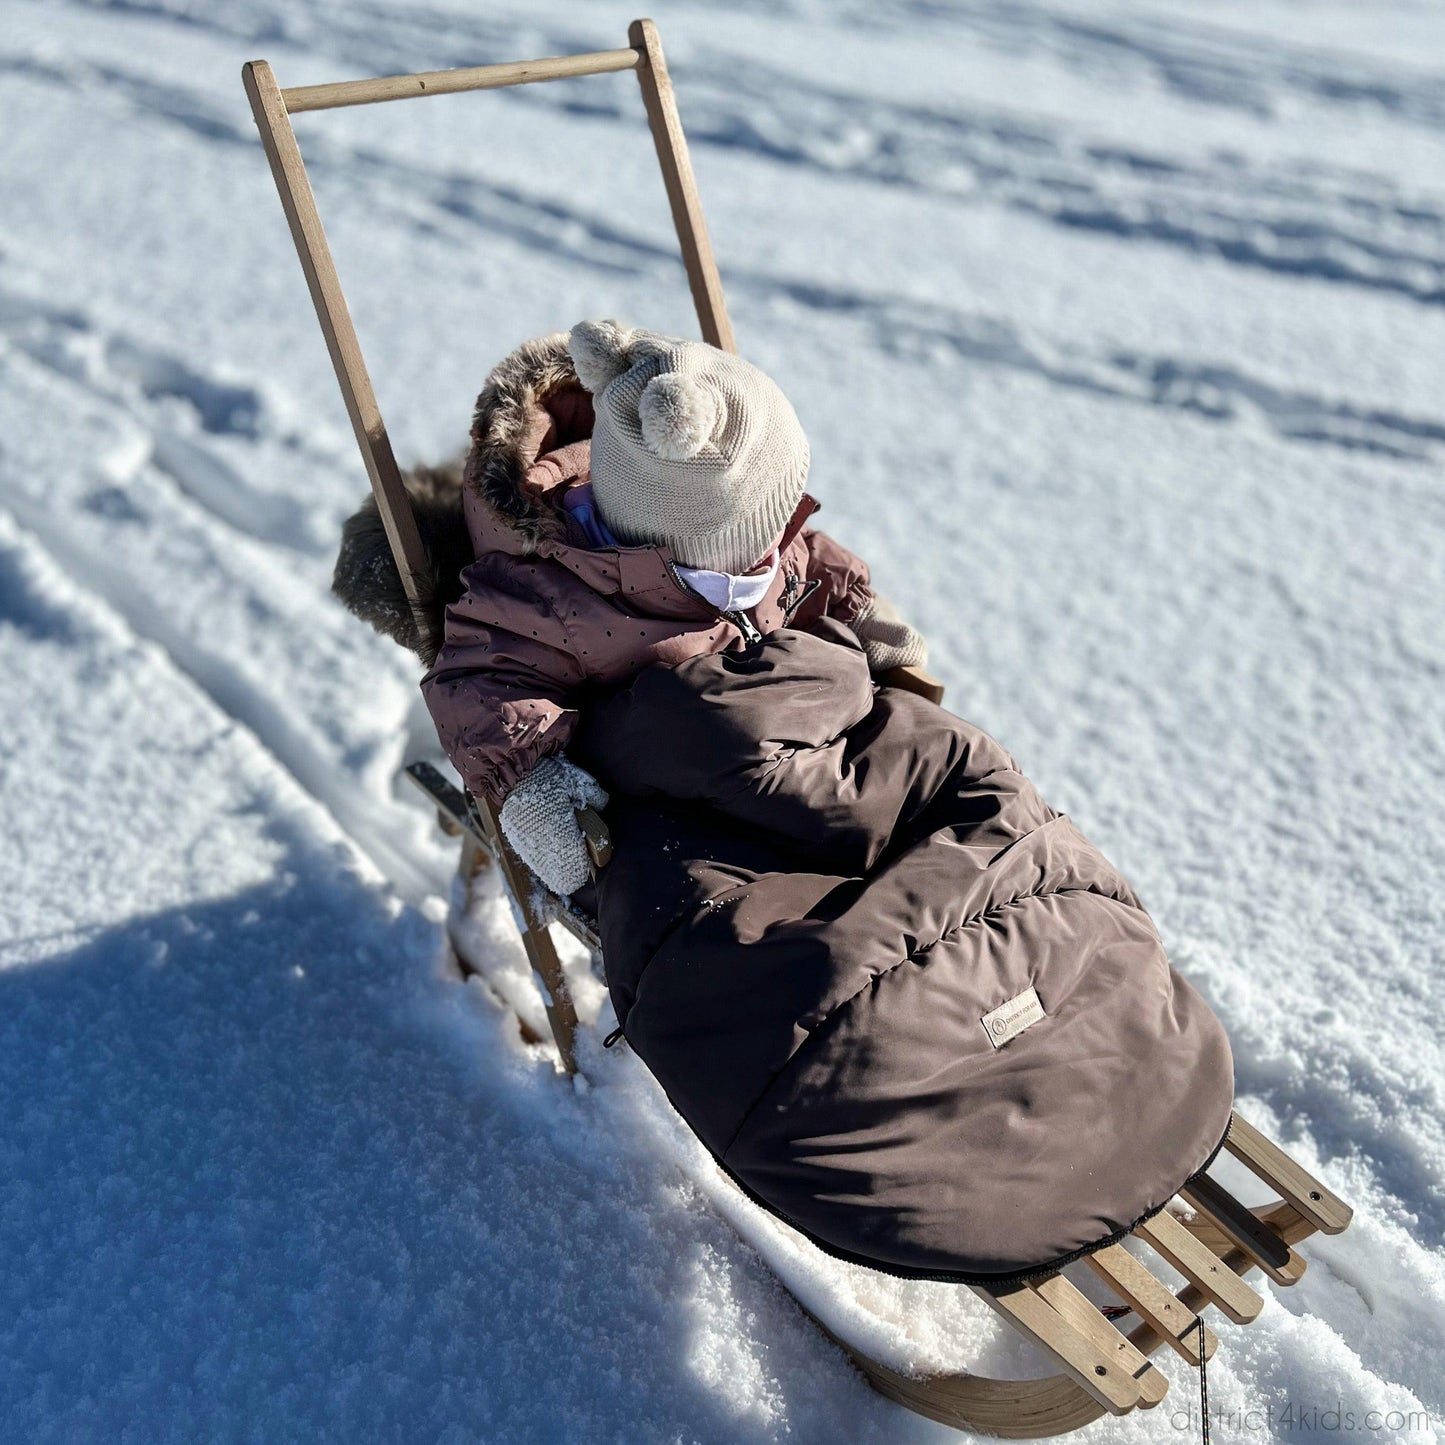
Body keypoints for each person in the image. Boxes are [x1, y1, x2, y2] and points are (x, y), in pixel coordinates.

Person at [421, 319, 926, 895]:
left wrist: (853, 605)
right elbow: (480, 677)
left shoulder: (750, 541)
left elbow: (799, 558)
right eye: (771, 526)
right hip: (662, 803)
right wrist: (528, 780)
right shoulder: (550, 594)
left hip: (780, 749)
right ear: (705, 558)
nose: (785, 535)